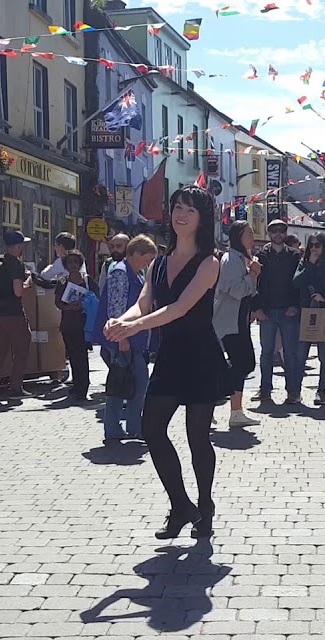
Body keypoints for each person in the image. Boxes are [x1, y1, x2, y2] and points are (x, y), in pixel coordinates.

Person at [105, 185, 226, 540]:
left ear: (202, 218)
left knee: (197, 438)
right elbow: (144, 303)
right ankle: (180, 505)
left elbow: (178, 309)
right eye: (177, 207)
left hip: (201, 355)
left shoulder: (209, 262)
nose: (181, 214)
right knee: (153, 429)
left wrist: (134, 326)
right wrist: (120, 320)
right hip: (170, 355)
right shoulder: (158, 261)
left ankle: (205, 508)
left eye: (190, 209)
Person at [100, 235, 157, 441]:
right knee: (124, 383)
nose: (148, 263)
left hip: (135, 339)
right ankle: (118, 428)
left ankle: (132, 427)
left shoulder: (137, 273)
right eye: (147, 258)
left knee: (132, 384)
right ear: (136, 254)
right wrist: (121, 339)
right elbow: (115, 308)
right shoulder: (120, 272)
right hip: (124, 341)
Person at [213, 221, 261, 429]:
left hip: (239, 321)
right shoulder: (231, 259)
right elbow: (237, 290)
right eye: (249, 232)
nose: (253, 235)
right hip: (228, 323)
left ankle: (234, 411)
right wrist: (253, 274)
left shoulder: (241, 259)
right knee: (242, 363)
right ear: (238, 236)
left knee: (241, 364)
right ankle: (214, 403)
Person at [252, 219, 301, 404]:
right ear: (268, 233)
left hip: (289, 311)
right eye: (274, 231)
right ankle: (265, 390)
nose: (278, 234)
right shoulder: (261, 256)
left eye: (281, 230)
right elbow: (254, 283)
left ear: (286, 233)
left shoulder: (295, 256)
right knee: (266, 353)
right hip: (267, 312)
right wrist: (256, 308)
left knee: (290, 353)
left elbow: (299, 284)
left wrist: (295, 305)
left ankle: (293, 392)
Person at [292, 233, 325, 406]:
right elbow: (296, 283)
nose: (314, 248)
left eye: (318, 245)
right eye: (311, 245)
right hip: (305, 313)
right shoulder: (304, 263)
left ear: (324, 247)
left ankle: (321, 391)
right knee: (300, 356)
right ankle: (296, 391)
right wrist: (310, 265)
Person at [0, 231, 32, 400]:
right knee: (21, 350)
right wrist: (28, 281)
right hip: (14, 314)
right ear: (18, 247)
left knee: (0, 352)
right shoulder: (16, 265)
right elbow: (18, 292)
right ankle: (16, 388)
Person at [55, 251, 98, 401]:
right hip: (68, 324)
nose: (73, 265)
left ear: (80, 264)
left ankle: (83, 387)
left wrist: (83, 304)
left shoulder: (87, 281)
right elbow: (57, 301)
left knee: (82, 356)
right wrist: (67, 308)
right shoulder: (62, 281)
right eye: (69, 262)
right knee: (72, 355)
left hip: (83, 324)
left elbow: (96, 298)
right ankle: (76, 385)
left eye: (75, 262)